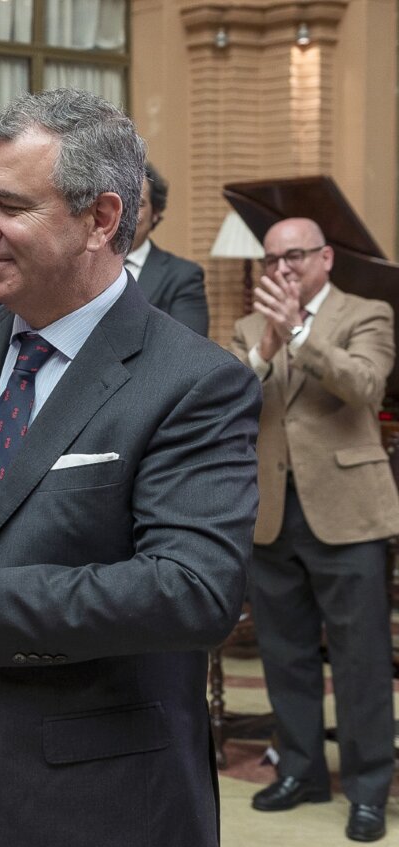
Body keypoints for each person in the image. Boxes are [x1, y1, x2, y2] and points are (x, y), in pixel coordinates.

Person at [0, 89, 261, 847]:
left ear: (102, 219)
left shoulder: (194, 381)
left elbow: (195, 589)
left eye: (9, 206)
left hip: (96, 798)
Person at [230, 217, 399, 843]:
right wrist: (268, 344)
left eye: (295, 256)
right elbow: (226, 399)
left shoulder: (367, 311)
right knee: (285, 654)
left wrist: (301, 330)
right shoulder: (250, 326)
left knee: (360, 661)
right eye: (273, 258)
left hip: (348, 510)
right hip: (272, 511)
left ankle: (367, 788)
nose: (283, 269)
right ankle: (301, 770)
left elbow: (365, 385)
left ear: (326, 257)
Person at [123, 162, 209, 335]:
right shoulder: (84, 267)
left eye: (138, 203)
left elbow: (189, 347)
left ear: (155, 214)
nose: (126, 211)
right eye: (122, 200)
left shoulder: (183, 276)